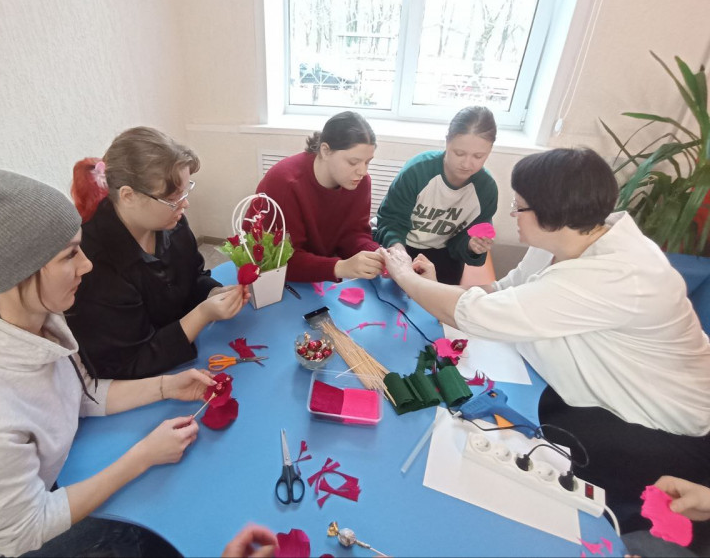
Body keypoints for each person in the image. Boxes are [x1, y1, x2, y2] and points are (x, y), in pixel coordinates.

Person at [379, 147, 710, 533]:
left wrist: (407, 278)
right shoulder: (567, 239)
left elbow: (476, 313)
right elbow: (503, 292)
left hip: (663, 428)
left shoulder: (618, 276)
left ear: (553, 215)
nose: (512, 215)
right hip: (600, 396)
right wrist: (437, 288)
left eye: (519, 206)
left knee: (554, 489)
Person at [0, 148, 220, 557]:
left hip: (30, 491)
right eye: (70, 254)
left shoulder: (31, 319)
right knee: (148, 529)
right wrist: (142, 456)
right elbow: (25, 531)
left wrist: (166, 386)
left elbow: (80, 391)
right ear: (13, 276)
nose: (88, 265)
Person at [68, 127, 248, 379]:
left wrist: (212, 292)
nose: (184, 203)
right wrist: (203, 314)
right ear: (128, 196)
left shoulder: (170, 222)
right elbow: (129, 362)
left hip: (179, 352)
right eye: (173, 197)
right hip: (138, 380)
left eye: (185, 191)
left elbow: (192, 277)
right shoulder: (95, 263)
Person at [254, 110, 384, 282]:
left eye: (367, 162)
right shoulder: (285, 183)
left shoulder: (361, 182)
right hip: (271, 276)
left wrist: (375, 253)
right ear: (325, 151)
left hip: (320, 267)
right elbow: (277, 261)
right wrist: (340, 267)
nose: (362, 171)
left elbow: (353, 233)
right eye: (353, 162)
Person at [374, 106, 498, 284]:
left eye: (478, 156)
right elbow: (390, 220)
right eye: (459, 153)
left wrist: (471, 246)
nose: (466, 164)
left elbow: (465, 240)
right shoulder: (417, 171)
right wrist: (399, 253)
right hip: (402, 244)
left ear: (490, 150)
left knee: (438, 298)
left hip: (445, 254)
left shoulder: (486, 189)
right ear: (447, 142)